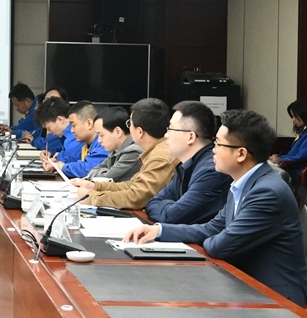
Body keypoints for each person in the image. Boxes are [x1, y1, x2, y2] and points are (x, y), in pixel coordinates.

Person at [125, 109, 307, 305]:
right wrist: (159, 230)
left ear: (241, 154)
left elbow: (221, 246)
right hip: (244, 287)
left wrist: (217, 236)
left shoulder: (267, 192)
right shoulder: (242, 184)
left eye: (219, 144)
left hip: (277, 299)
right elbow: (212, 228)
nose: (213, 150)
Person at [73, 98, 178, 209]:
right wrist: (95, 186)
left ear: (140, 132)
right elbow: (133, 185)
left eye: (129, 124)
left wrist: (92, 197)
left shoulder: (160, 157)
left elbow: (136, 197)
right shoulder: (155, 152)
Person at [145, 101, 232, 224]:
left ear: (190, 137)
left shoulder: (211, 171)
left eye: (170, 129)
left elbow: (171, 217)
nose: (165, 135)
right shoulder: (186, 165)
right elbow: (153, 202)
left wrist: (169, 205)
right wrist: (171, 205)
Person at [42, 100, 108, 178]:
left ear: (89, 123)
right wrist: (56, 163)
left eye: (73, 125)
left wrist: (63, 167)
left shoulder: (103, 143)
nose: (72, 131)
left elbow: (87, 168)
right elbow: (76, 159)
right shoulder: (87, 145)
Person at [81, 106, 142, 182]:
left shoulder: (133, 152)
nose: (99, 140)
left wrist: (100, 173)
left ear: (118, 132)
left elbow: (106, 178)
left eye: (101, 135)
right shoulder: (115, 151)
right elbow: (93, 170)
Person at [33, 96, 85, 163]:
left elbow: (69, 157)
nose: (50, 132)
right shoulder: (65, 135)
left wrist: (57, 158)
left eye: (49, 128)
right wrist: (50, 153)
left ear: (60, 120)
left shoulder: (74, 135)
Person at [270, 99, 307, 187]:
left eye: (295, 116)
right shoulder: (302, 132)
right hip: (292, 168)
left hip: (297, 171)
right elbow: (293, 154)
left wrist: (279, 159)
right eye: (292, 116)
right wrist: (279, 158)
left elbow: (300, 156)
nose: (293, 120)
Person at [25, 87, 68, 154]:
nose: (47, 103)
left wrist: (34, 141)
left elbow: (46, 143)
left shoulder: (68, 133)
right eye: (46, 100)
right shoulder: (52, 125)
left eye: (53, 100)